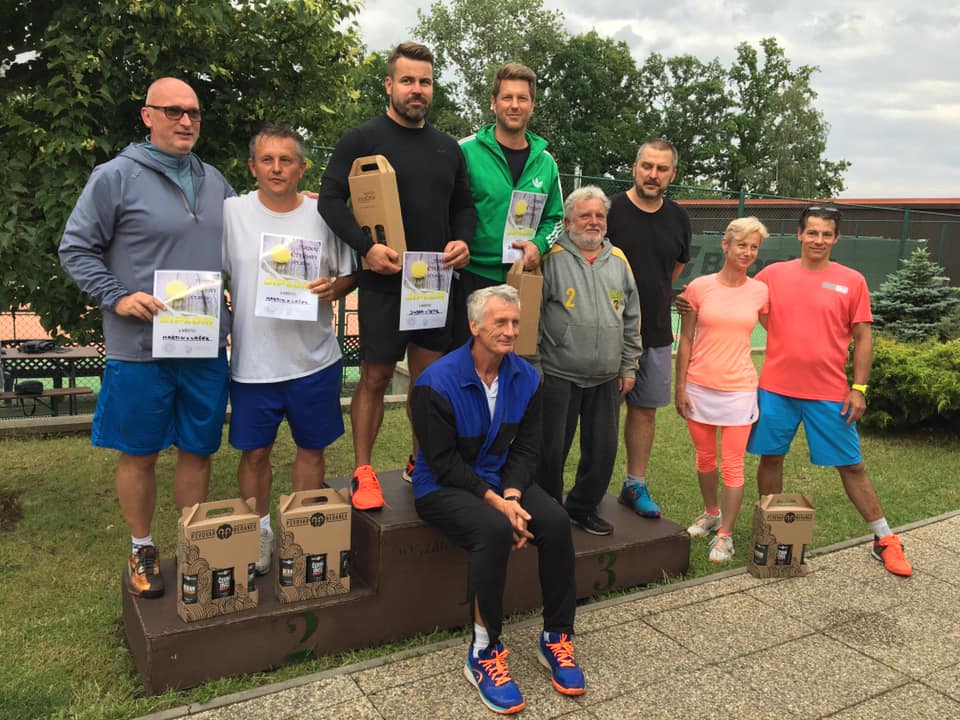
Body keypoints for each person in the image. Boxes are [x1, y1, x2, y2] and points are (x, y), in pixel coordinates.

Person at [59, 78, 234, 598]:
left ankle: (193, 545)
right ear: (147, 116)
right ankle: (141, 547)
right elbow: (76, 248)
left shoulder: (214, 180)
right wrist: (116, 297)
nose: (186, 121)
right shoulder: (115, 177)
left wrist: (304, 204)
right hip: (140, 348)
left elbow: (249, 236)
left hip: (202, 344)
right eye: (173, 111)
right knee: (139, 452)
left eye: (194, 113)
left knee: (198, 449)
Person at [410, 285, 585, 715]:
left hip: (502, 481)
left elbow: (526, 449)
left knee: (555, 522)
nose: (509, 331)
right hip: (441, 486)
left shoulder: (527, 377)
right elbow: (443, 464)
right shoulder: (435, 382)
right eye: (500, 322)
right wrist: (498, 506)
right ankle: (484, 652)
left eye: (515, 323)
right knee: (492, 530)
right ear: (474, 326)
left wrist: (512, 495)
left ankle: (556, 637)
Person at [318, 41, 476, 508]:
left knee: (428, 382)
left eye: (425, 82)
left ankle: (420, 463)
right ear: (389, 85)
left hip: (432, 283)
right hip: (384, 280)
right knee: (375, 377)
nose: (417, 89)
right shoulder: (362, 139)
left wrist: (463, 240)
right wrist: (365, 248)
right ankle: (363, 471)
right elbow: (330, 200)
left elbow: (464, 207)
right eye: (407, 80)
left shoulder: (449, 148)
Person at [746, 205, 912, 577]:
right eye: (812, 232)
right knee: (771, 459)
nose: (818, 240)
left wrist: (859, 388)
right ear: (799, 234)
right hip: (775, 390)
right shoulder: (773, 275)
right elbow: (745, 301)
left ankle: (884, 539)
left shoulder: (852, 280)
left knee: (852, 465)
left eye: (826, 234)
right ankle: (773, 539)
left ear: (836, 238)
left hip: (830, 393)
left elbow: (863, 337)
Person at [222, 124, 356, 575]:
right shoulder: (231, 214)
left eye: (286, 160)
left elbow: (349, 274)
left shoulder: (324, 215)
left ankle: (301, 534)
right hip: (253, 363)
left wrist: (334, 288)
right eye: (267, 160)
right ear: (252, 167)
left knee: (311, 450)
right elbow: (210, 272)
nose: (276, 168)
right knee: (254, 454)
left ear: (302, 168)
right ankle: (259, 531)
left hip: (313, 360)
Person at [535, 186, 641, 535]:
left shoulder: (619, 260)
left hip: (607, 376)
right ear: (568, 222)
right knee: (550, 450)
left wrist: (628, 365)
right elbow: (532, 316)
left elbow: (631, 316)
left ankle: (582, 507)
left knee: (602, 451)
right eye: (585, 215)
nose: (593, 222)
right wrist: (534, 365)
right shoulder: (551, 258)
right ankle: (547, 511)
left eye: (599, 215)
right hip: (557, 373)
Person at [675, 217, 769, 563]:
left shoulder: (761, 292)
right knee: (704, 458)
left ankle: (725, 534)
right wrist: (680, 386)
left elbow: (780, 330)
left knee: (732, 465)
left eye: (754, 247)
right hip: (698, 387)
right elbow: (685, 339)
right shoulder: (699, 287)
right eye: (741, 245)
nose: (747, 252)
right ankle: (711, 513)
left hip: (740, 391)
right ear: (725, 245)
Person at [607, 138, 691, 519]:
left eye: (661, 169)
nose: (653, 174)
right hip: (607, 333)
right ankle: (588, 490)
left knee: (644, 412)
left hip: (655, 333)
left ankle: (634, 485)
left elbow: (673, 269)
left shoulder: (679, 218)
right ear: (634, 168)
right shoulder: (610, 211)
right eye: (647, 166)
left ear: (672, 175)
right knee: (601, 415)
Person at [454, 62, 564, 345]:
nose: (515, 105)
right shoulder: (465, 151)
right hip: (471, 277)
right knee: (468, 359)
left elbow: (555, 219)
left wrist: (538, 246)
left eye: (522, 98)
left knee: (512, 358)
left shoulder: (546, 163)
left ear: (532, 105)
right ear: (493, 102)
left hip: (520, 279)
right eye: (507, 97)